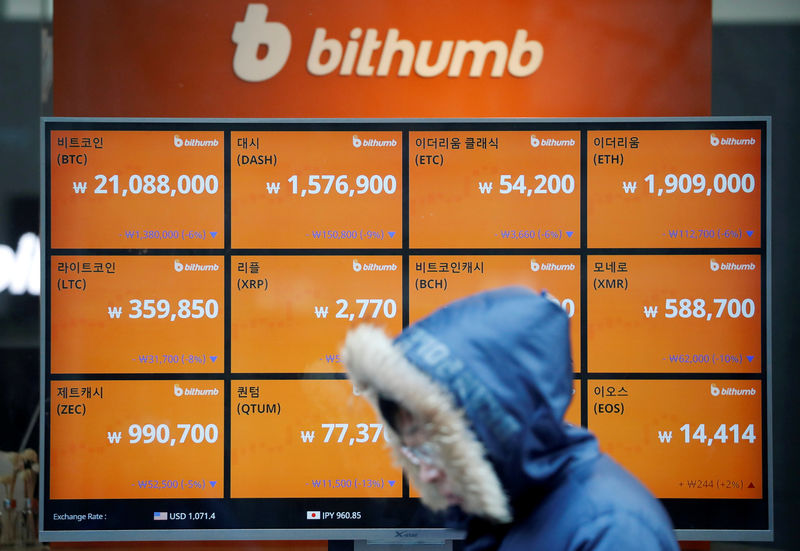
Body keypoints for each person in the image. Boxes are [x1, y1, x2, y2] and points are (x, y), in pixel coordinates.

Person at [341, 286, 679, 551]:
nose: (426, 472)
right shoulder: (511, 510)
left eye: (433, 447)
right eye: (413, 451)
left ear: (490, 424)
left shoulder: (611, 531)